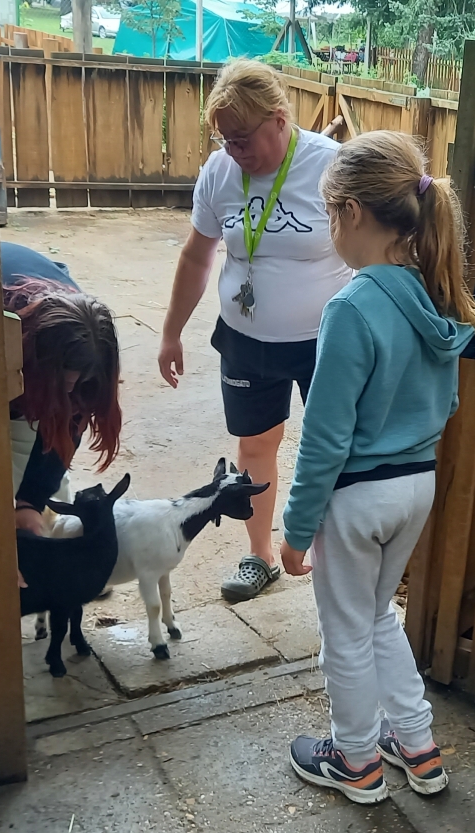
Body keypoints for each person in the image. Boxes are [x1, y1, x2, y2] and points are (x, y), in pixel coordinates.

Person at [280, 131, 475, 804]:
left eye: (327, 213)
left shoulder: (351, 307)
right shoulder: (437, 297)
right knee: (376, 618)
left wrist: (296, 527)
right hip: (415, 485)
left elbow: (325, 437)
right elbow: (447, 402)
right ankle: (418, 747)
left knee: (345, 632)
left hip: (356, 497)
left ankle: (357, 760)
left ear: (350, 212)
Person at [157, 59, 352, 602]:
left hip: (327, 339)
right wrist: (171, 332)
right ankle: (261, 555)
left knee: (338, 447)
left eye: (242, 139)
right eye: (225, 139)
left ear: (279, 119)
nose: (233, 151)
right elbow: (197, 256)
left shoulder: (331, 165)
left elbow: (375, 251)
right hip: (246, 340)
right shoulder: (220, 171)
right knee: (255, 442)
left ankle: (338, 558)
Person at [0, 244, 122, 586]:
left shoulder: (90, 340)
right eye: (65, 381)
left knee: (38, 480)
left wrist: (30, 501)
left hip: (31, 358)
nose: (72, 390)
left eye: (80, 381)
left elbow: (69, 423)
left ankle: (53, 564)